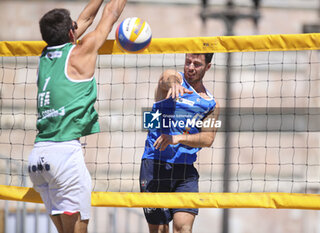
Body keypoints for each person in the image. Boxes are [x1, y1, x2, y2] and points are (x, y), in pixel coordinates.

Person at [27, 0, 127, 232]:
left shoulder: (44, 56)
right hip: (64, 157)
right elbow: (110, 14)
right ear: (71, 32)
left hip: (38, 159)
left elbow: (85, 20)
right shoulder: (82, 51)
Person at [140, 53, 220, 233]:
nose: (190, 67)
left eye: (197, 64)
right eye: (188, 62)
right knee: (160, 230)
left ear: (207, 67)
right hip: (155, 165)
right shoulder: (173, 82)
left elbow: (208, 139)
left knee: (183, 228)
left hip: (185, 169)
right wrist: (173, 84)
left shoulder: (211, 104)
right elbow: (166, 77)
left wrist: (178, 139)